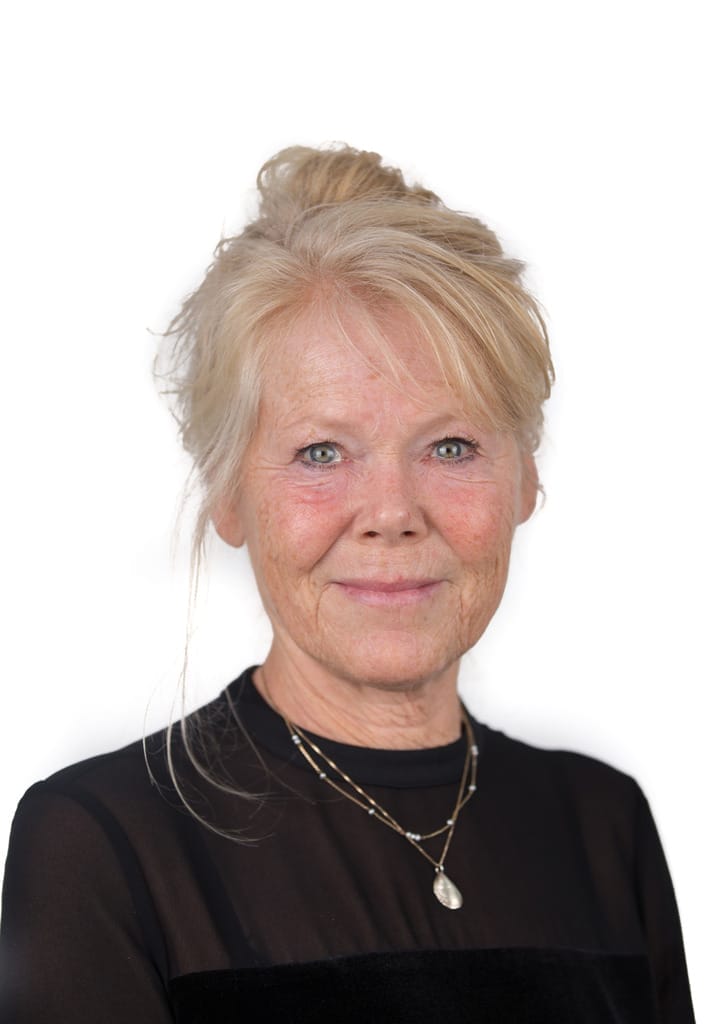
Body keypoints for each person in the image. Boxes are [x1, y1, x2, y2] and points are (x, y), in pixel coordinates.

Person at [0, 145, 694, 1023]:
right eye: (320, 452)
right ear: (228, 495)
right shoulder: (102, 845)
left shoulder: (602, 828)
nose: (391, 513)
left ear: (526, 479)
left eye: (451, 446)